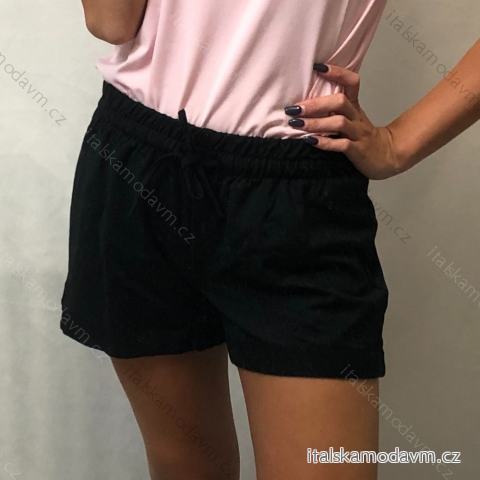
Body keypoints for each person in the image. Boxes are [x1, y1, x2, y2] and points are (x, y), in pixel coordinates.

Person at [60, 0, 480, 479]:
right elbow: (110, 23)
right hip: (139, 162)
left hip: (297, 191)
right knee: (187, 468)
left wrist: (399, 144)